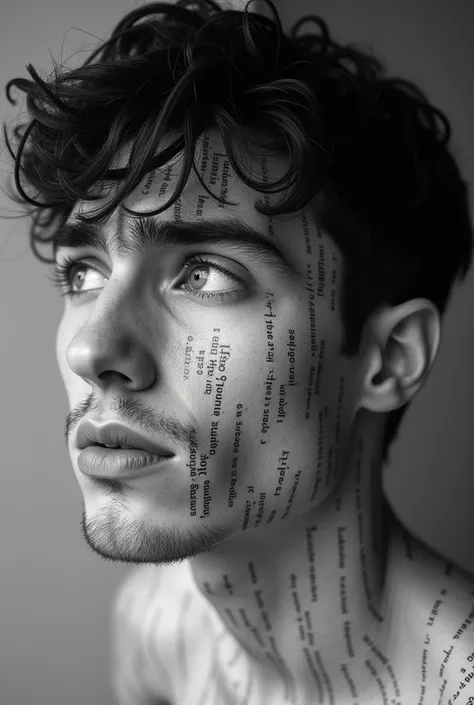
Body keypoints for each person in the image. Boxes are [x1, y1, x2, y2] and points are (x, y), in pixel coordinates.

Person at [4, 0, 474, 702]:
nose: (93, 349)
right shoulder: (155, 629)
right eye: (85, 273)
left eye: (203, 275)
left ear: (390, 358)